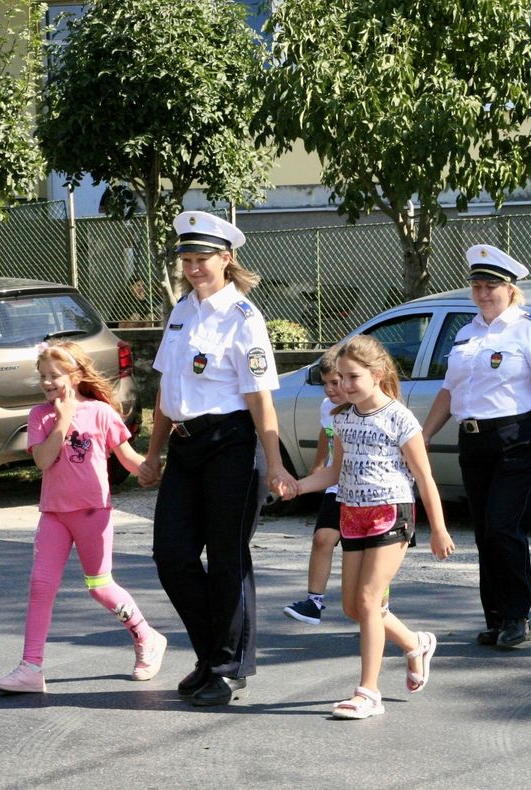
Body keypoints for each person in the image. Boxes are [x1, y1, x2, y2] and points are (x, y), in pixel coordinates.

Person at [139, 210, 298, 707]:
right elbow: (168, 388)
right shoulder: (182, 311)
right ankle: (211, 654)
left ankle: (227, 668)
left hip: (231, 443)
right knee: (172, 555)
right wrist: (153, 453)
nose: (192, 267)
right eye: (186, 258)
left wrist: (273, 463)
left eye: (201, 258)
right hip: (186, 446)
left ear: (226, 259)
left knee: (227, 559)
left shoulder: (244, 319)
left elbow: (260, 400)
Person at [421, 245, 531, 649]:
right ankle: (495, 618)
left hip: (519, 437)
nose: (483, 292)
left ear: (511, 289)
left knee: (505, 527)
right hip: (473, 440)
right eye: (476, 284)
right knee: (485, 531)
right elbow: (448, 390)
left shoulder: (530, 328)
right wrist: (423, 436)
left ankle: (516, 617)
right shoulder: (466, 332)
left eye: (492, 285)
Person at [292, 334, 455, 720]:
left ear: (377, 374)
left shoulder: (400, 418)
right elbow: (335, 470)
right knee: (353, 606)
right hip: (352, 515)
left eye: (353, 378)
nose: (345, 386)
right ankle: (415, 644)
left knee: (368, 600)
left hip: (391, 514)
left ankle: (368, 692)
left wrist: (439, 529)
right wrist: (298, 486)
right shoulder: (342, 418)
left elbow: (424, 477)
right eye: (341, 379)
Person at [0, 340, 167, 693]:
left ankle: (147, 638)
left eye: (54, 375)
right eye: (42, 376)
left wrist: (150, 470)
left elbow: (128, 458)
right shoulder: (40, 416)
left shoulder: (101, 413)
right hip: (54, 515)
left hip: (92, 514)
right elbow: (43, 460)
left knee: (100, 587)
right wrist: (64, 418)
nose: (47, 382)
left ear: (75, 374)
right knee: (41, 587)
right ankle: (31, 667)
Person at [282, 347, 345, 625]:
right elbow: (327, 433)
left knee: (368, 563)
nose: (330, 390)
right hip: (337, 485)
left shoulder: (371, 408)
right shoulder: (327, 407)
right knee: (322, 538)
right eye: (325, 384)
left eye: (336, 382)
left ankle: (380, 611)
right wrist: (317, 466)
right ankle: (314, 602)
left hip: (372, 493)